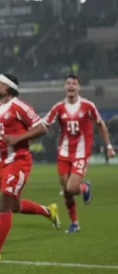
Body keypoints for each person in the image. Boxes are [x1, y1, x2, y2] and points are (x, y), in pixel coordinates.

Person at [0, 73, 60, 263]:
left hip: (19, 161)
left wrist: (19, 138)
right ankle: (49, 211)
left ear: (7, 88)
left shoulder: (20, 106)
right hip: (2, 162)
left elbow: (42, 128)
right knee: (14, 206)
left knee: (4, 201)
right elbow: (0, 131)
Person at [43, 75, 114, 233]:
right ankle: (74, 223)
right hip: (64, 153)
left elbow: (101, 124)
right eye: (68, 83)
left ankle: (84, 187)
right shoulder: (58, 107)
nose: (71, 86)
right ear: (65, 87)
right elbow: (44, 123)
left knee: (71, 188)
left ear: (79, 88)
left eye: (74, 83)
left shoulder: (88, 106)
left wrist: (109, 146)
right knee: (66, 192)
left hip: (81, 153)